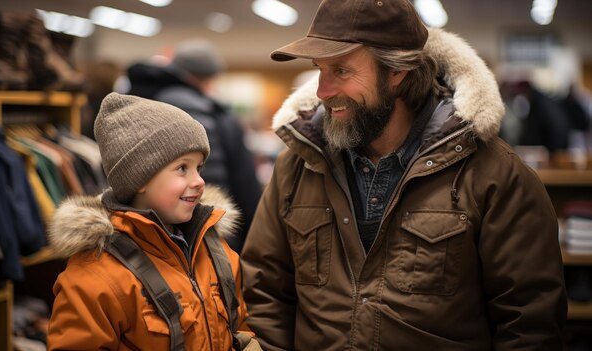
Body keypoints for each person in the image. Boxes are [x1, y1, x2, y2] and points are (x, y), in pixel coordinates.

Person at [240, 0, 567, 349]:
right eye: (320, 69)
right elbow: (265, 295)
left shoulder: (492, 174)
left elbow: (530, 322)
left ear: (397, 71)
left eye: (342, 71)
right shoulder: (299, 164)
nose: (322, 90)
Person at [46, 93, 261, 350]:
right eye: (182, 168)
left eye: (199, 168)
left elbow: (240, 325)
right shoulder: (96, 276)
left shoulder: (215, 251)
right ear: (139, 180)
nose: (199, 181)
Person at [126, 39, 262, 253]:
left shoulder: (145, 103)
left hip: (149, 231)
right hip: (209, 227)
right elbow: (244, 184)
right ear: (206, 78)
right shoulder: (217, 115)